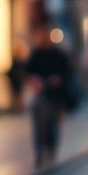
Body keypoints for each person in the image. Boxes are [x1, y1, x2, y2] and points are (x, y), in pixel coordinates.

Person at [26, 30, 71, 166]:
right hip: (39, 95)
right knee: (38, 124)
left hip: (55, 96)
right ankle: (39, 152)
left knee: (52, 124)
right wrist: (34, 81)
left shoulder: (58, 55)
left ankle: (51, 148)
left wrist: (58, 79)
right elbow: (28, 71)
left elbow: (67, 72)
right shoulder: (36, 54)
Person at [6, 43, 28, 112]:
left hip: (19, 80)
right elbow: (12, 71)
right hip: (15, 80)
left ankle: (18, 107)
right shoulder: (15, 61)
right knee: (16, 94)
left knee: (19, 94)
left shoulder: (21, 61)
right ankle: (16, 107)